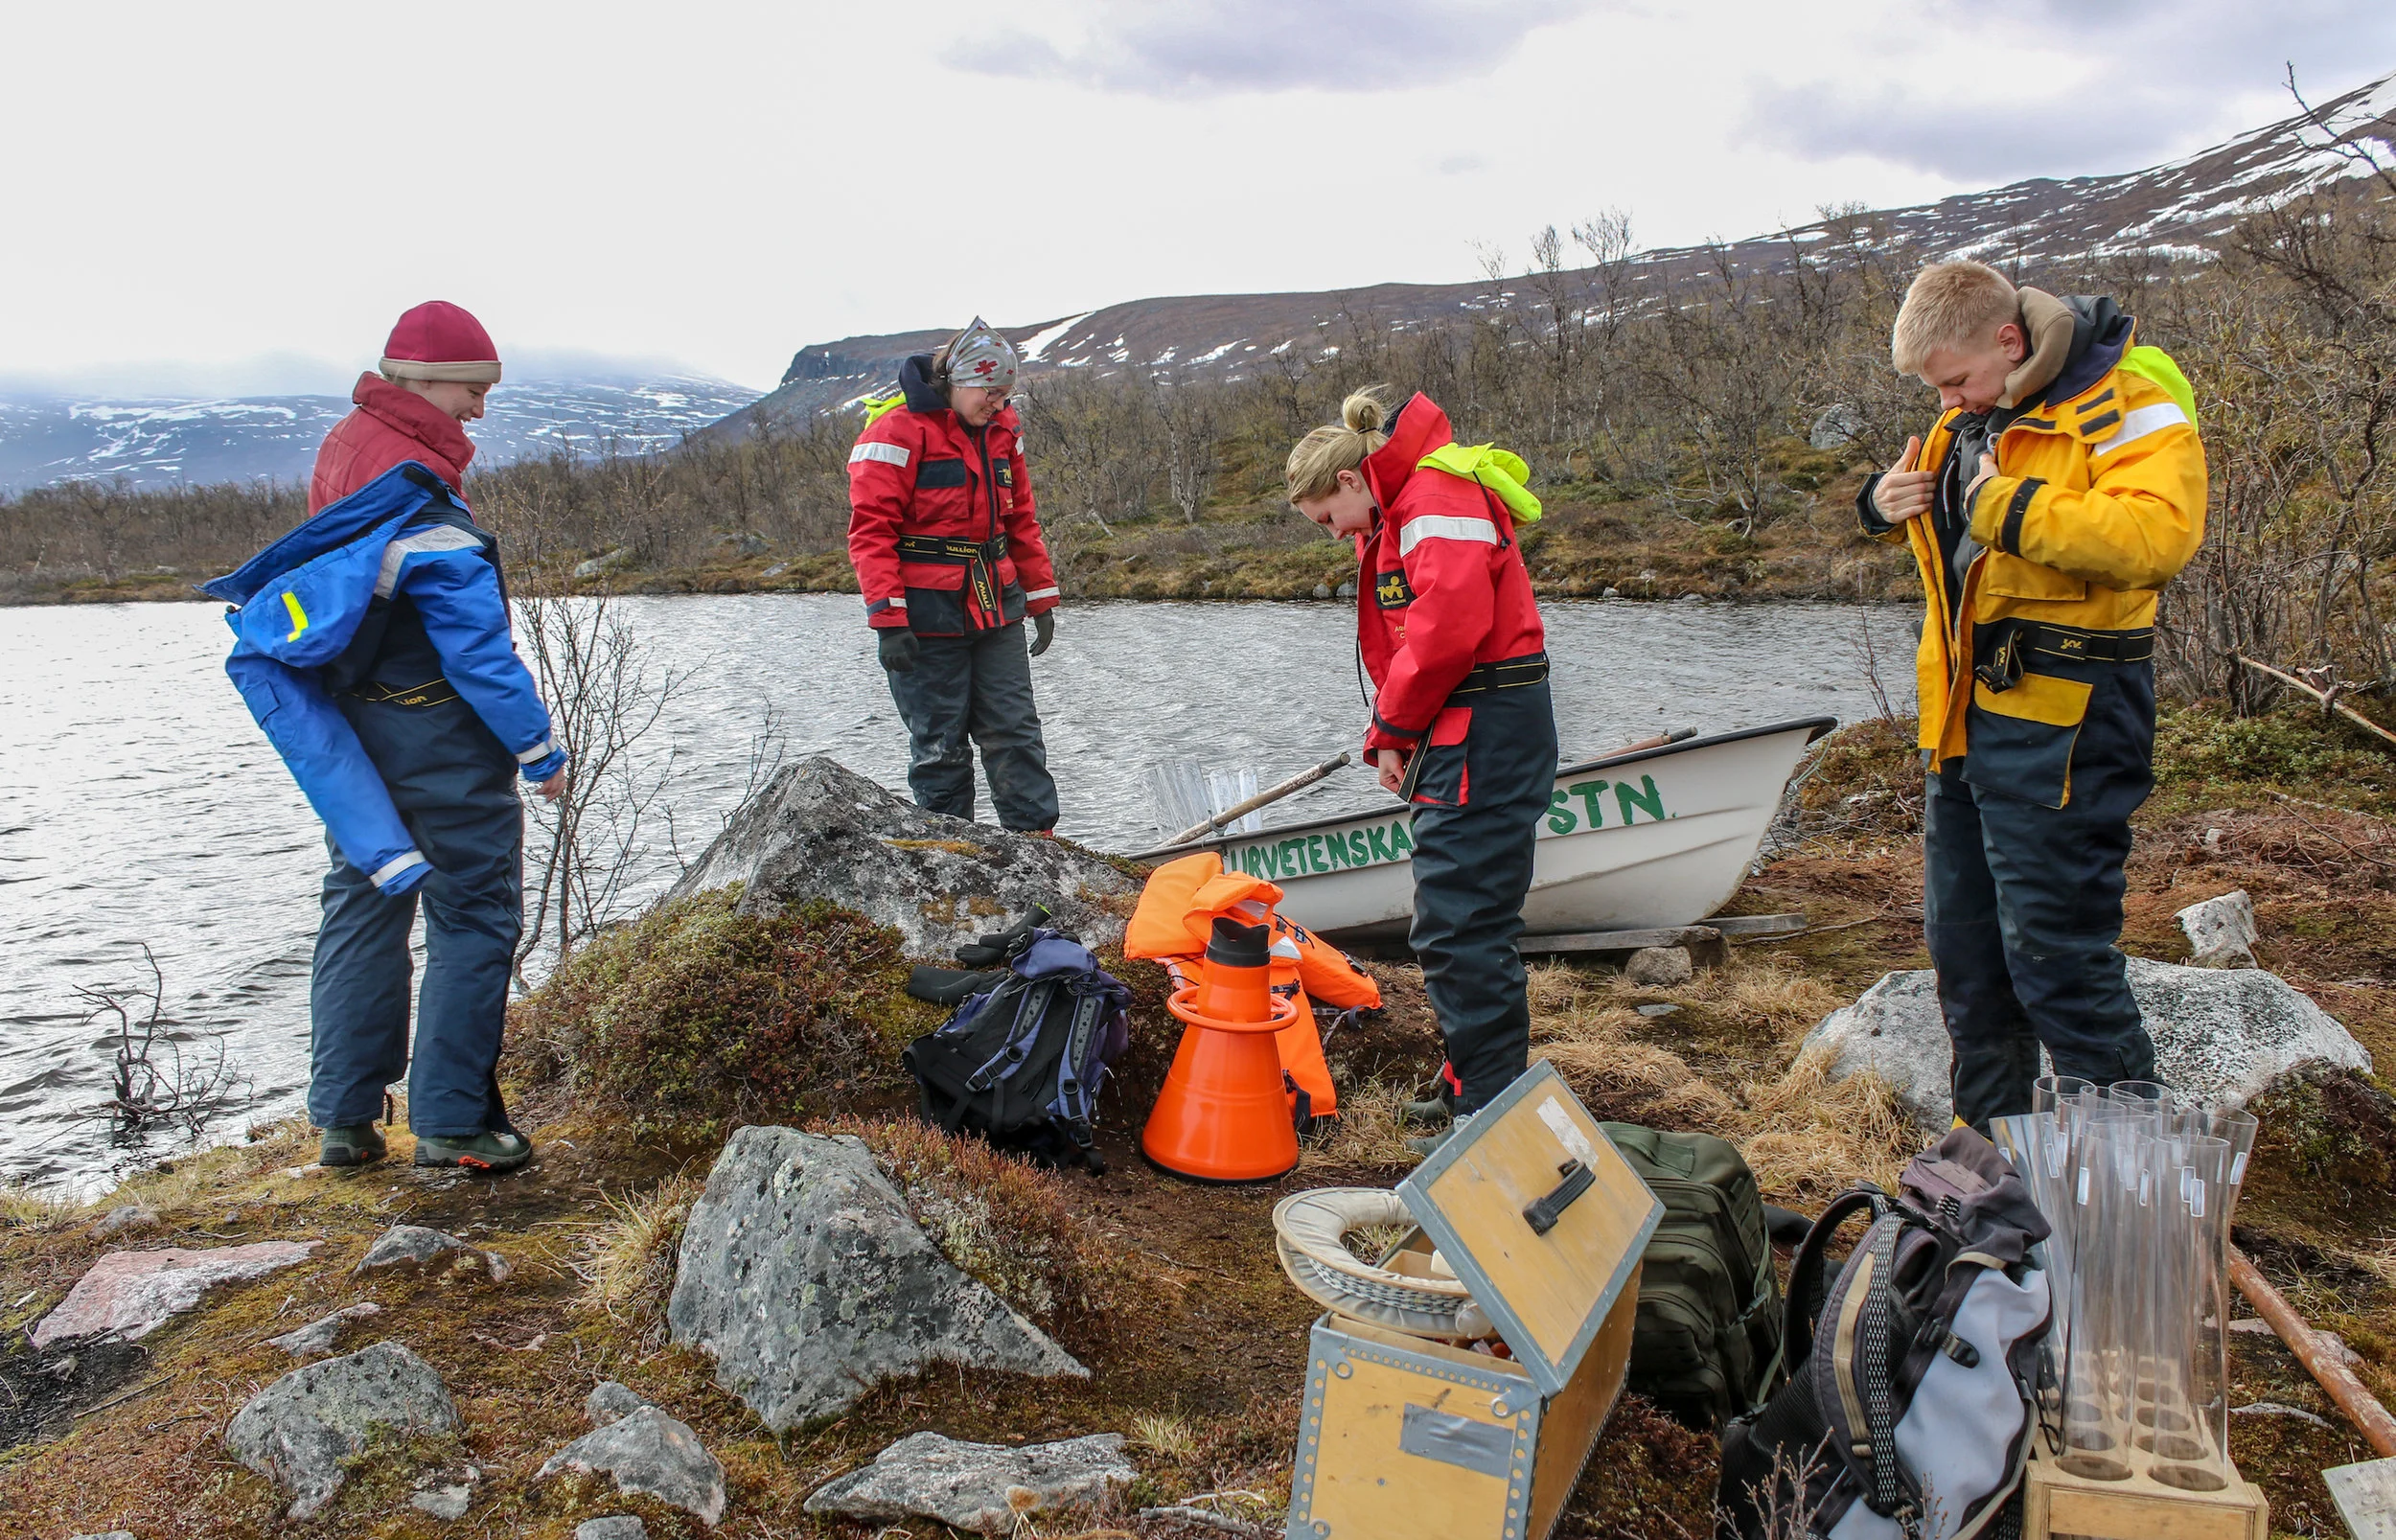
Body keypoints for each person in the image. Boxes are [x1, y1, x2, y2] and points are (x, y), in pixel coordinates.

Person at [1860, 261, 2205, 1128]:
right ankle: (1988, 1184)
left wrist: (2010, 508)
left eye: (1958, 381)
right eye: (1938, 389)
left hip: (2072, 724)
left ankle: (2129, 1192)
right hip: (1963, 729)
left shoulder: (2123, 400)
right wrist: (1882, 502)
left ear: (2009, 342)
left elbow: (2158, 533)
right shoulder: (1966, 418)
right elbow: (1952, 535)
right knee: (1969, 969)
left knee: (2060, 964)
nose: (1950, 404)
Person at [281, 300, 564, 1170]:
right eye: (472, 389)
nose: (480, 407)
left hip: (357, 721)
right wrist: (538, 749)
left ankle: (343, 1117)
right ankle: (451, 1124)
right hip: (436, 727)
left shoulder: (345, 443)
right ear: (420, 379)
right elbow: (474, 645)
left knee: (364, 898)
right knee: (475, 910)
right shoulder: (414, 476)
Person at [1285, 388, 1556, 1152]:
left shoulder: (1432, 496)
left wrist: (1392, 729)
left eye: (1328, 520)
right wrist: (1398, 736)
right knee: (1458, 913)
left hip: (1485, 724)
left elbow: (1448, 629)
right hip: (1465, 723)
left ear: (1347, 482)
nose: (1337, 537)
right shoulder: (1407, 502)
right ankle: (1472, 1076)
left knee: (1461, 918)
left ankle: (1491, 1108)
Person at [847, 317, 1062, 831]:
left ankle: (1040, 847)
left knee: (1016, 731)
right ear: (958, 381)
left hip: (997, 604)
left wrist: (1040, 598)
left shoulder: (1005, 430)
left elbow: (1019, 520)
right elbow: (870, 533)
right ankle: (951, 858)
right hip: (926, 616)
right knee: (939, 745)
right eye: (990, 392)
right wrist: (889, 622)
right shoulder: (895, 432)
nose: (998, 403)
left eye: (1006, 393)